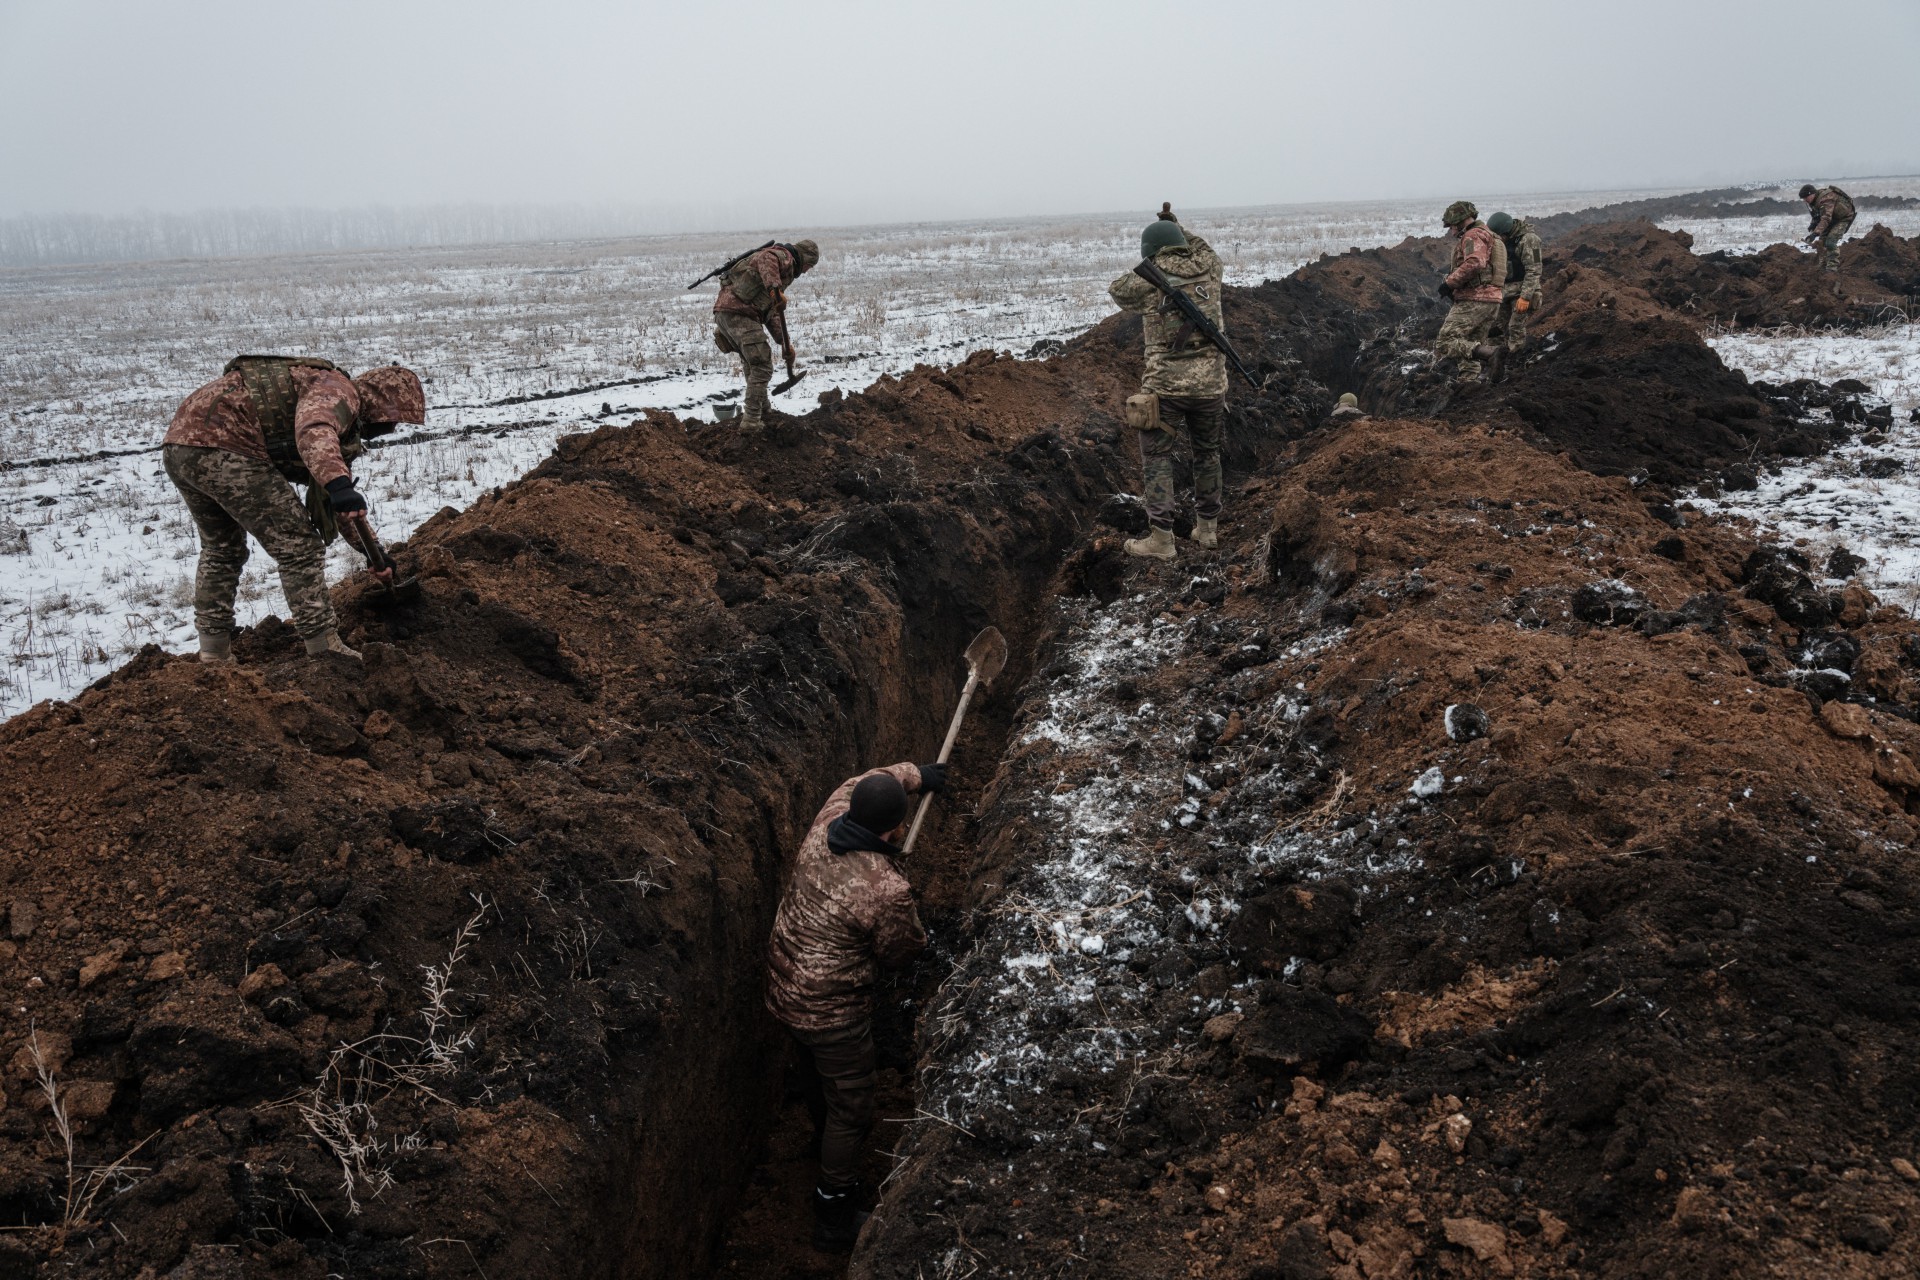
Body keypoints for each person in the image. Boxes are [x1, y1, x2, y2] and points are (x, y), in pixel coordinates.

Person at [765, 760, 946, 1250]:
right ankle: (833, 1211)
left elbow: (859, 779)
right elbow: (901, 953)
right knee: (853, 1109)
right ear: (892, 831)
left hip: (783, 986)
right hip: (832, 1013)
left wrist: (917, 775)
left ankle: (818, 1140)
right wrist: (900, 897)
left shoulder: (828, 820)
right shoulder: (885, 890)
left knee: (814, 1074)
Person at [163, 356, 425, 663]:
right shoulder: (340, 391)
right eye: (391, 420)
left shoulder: (334, 421)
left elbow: (341, 504)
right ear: (379, 400)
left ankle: (214, 653)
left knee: (223, 549)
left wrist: (373, 552)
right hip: (228, 445)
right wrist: (339, 484)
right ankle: (324, 648)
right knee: (299, 545)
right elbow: (314, 429)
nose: (390, 429)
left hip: (181, 445)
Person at [1108, 204, 1228, 561]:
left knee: (1157, 457)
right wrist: (1178, 228)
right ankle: (1207, 530)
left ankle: (1162, 539)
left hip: (1165, 389)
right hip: (1211, 386)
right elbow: (1201, 246)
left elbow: (1117, 291)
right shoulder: (1211, 266)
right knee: (1207, 453)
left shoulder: (1148, 277)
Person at [712, 239, 820, 430]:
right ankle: (752, 421)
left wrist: (784, 342)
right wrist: (775, 290)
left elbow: (770, 312)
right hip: (739, 314)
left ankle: (763, 409)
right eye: (808, 266)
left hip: (728, 313)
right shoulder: (783, 257)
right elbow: (765, 258)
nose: (806, 272)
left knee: (751, 362)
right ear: (804, 259)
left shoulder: (784, 271)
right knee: (762, 365)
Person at [1434, 201, 1508, 388]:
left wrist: (1449, 283)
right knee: (1469, 345)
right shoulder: (1491, 236)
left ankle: (1491, 353)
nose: (1451, 232)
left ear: (1460, 221)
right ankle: (1468, 385)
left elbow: (1475, 262)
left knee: (1445, 342)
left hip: (1475, 299)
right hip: (1492, 300)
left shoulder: (1473, 235)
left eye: (1451, 226)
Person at [1485, 211, 1543, 363]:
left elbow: (1535, 270)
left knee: (1515, 327)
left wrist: (1525, 297)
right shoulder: (1501, 242)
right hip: (1505, 292)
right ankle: (1493, 360)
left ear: (1505, 232)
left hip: (1524, 291)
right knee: (1494, 329)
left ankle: (1515, 362)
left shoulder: (1530, 240)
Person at [1800, 183, 1856, 273]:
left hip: (1843, 218)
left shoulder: (1826, 198)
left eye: (1806, 198)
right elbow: (1818, 216)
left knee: (1830, 241)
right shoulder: (1813, 201)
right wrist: (1813, 224)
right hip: (1832, 219)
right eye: (1803, 199)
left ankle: (1832, 268)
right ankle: (1824, 264)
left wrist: (1815, 233)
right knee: (1822, 242)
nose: (1805, 200)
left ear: (1812, 194)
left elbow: (1826, 218)